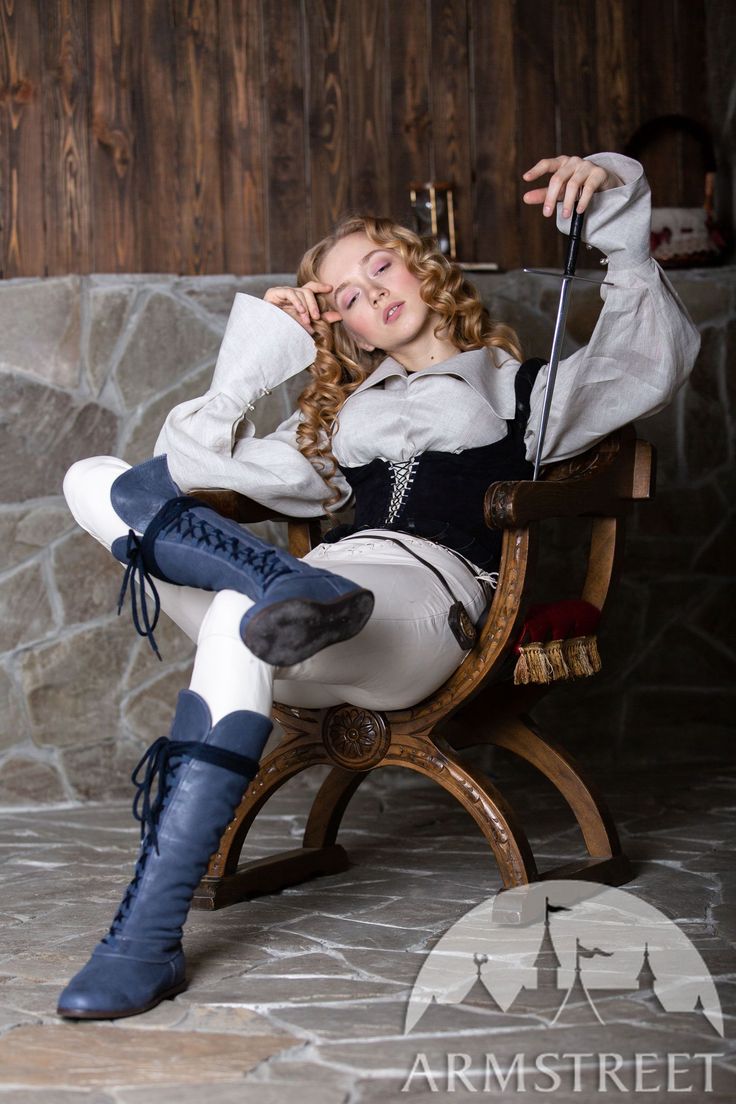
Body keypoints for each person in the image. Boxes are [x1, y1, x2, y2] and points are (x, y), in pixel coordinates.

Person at [56, 154, 699, 1020]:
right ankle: (275, 586)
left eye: (380, 267)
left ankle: (143, 939)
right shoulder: (334, 424)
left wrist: (616, 225)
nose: (373, 293)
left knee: (238, 618)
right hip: (317, 598)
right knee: (99, 479)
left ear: (420, 266)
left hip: (424, 608)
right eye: (347, 295)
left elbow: (648, 359)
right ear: (345, 328)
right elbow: (183, 470)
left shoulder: (518, 389)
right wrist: (263, 353)